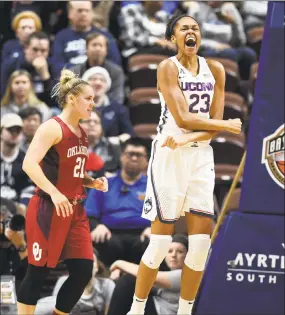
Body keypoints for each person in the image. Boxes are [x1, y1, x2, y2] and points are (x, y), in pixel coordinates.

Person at [127, 14, 242, 315]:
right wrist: (226, 125)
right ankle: (136, 310)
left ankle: (185, 311)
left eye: (195, 28)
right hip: (169, 155)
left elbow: (212, 127)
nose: (191, 32)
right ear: (173, 37)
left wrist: (209, 131)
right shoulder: (168, 67)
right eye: (184, 28)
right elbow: (183, 118)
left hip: (200, 155)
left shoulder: (215, 68)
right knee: (160, 243)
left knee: (202, 245)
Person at [16, 69, 109, 315]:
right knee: (37, 271)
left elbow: (73, 173)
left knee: (82, 271)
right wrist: (55, 193)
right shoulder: (51, 127)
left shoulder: (81, 132)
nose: (93, 103)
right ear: (71, 98)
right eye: (88, 98)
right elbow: (29, 164)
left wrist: (92, 182)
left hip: (75, 210)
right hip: (48, 207)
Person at [85, 137, 150, 266]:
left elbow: (163, 216)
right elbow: (89, 214)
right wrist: (97, 226)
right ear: (122, 157)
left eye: (139, 155)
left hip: (142, 234)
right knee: (99, 240)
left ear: (146, 160)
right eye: (130, 154)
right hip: (109, 234)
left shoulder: (153, 187)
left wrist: (153, 228)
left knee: (154, 242)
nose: (134, 158)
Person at [108, 234, 188, 315]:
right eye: (170, 251)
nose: (173, 255)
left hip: (160, 311)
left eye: (180, 252)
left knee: (129, 281)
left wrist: (119, 263)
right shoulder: (168, 274)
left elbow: (147, 276)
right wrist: (122, 271)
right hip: (154, 307)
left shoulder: (186, 275)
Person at [52, 0, 121, 77]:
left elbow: (115, 62)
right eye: (80, 10)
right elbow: (57, 65)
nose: (84, 14)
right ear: (70, 13)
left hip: (99, 79)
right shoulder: (61, 36)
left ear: (92, 13)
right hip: (71, 81)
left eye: (87, 11)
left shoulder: (104, 35)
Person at [35, 252, 115, 315]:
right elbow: (54, 310)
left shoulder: (107, 285)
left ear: (97, 267)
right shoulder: (64, 282)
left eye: (91, 261)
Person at [1, 32, 54, 107]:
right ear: (25, 48)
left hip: (42, 109)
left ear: (48, 51)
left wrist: (45, 76)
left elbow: (54, 102)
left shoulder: (52, 66)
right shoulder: (11, 65)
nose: (39, 54)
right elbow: (4, 94)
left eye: (43, 51)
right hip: (15, 106)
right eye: (35, 49)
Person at [71, 32, 125, 104]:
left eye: (101, 45)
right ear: (86, 49)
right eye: (94, 45)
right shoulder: (74, 72)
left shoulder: (116, 71)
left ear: (106, 51)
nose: (97, 48)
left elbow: (117, 97)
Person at [82, 66, 134, 139]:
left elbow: (128, 134)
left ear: (107, 85)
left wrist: (115, 141)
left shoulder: (118, 109)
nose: (98, 83)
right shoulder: (75, 107)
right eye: (93, 79)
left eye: (102, 80)